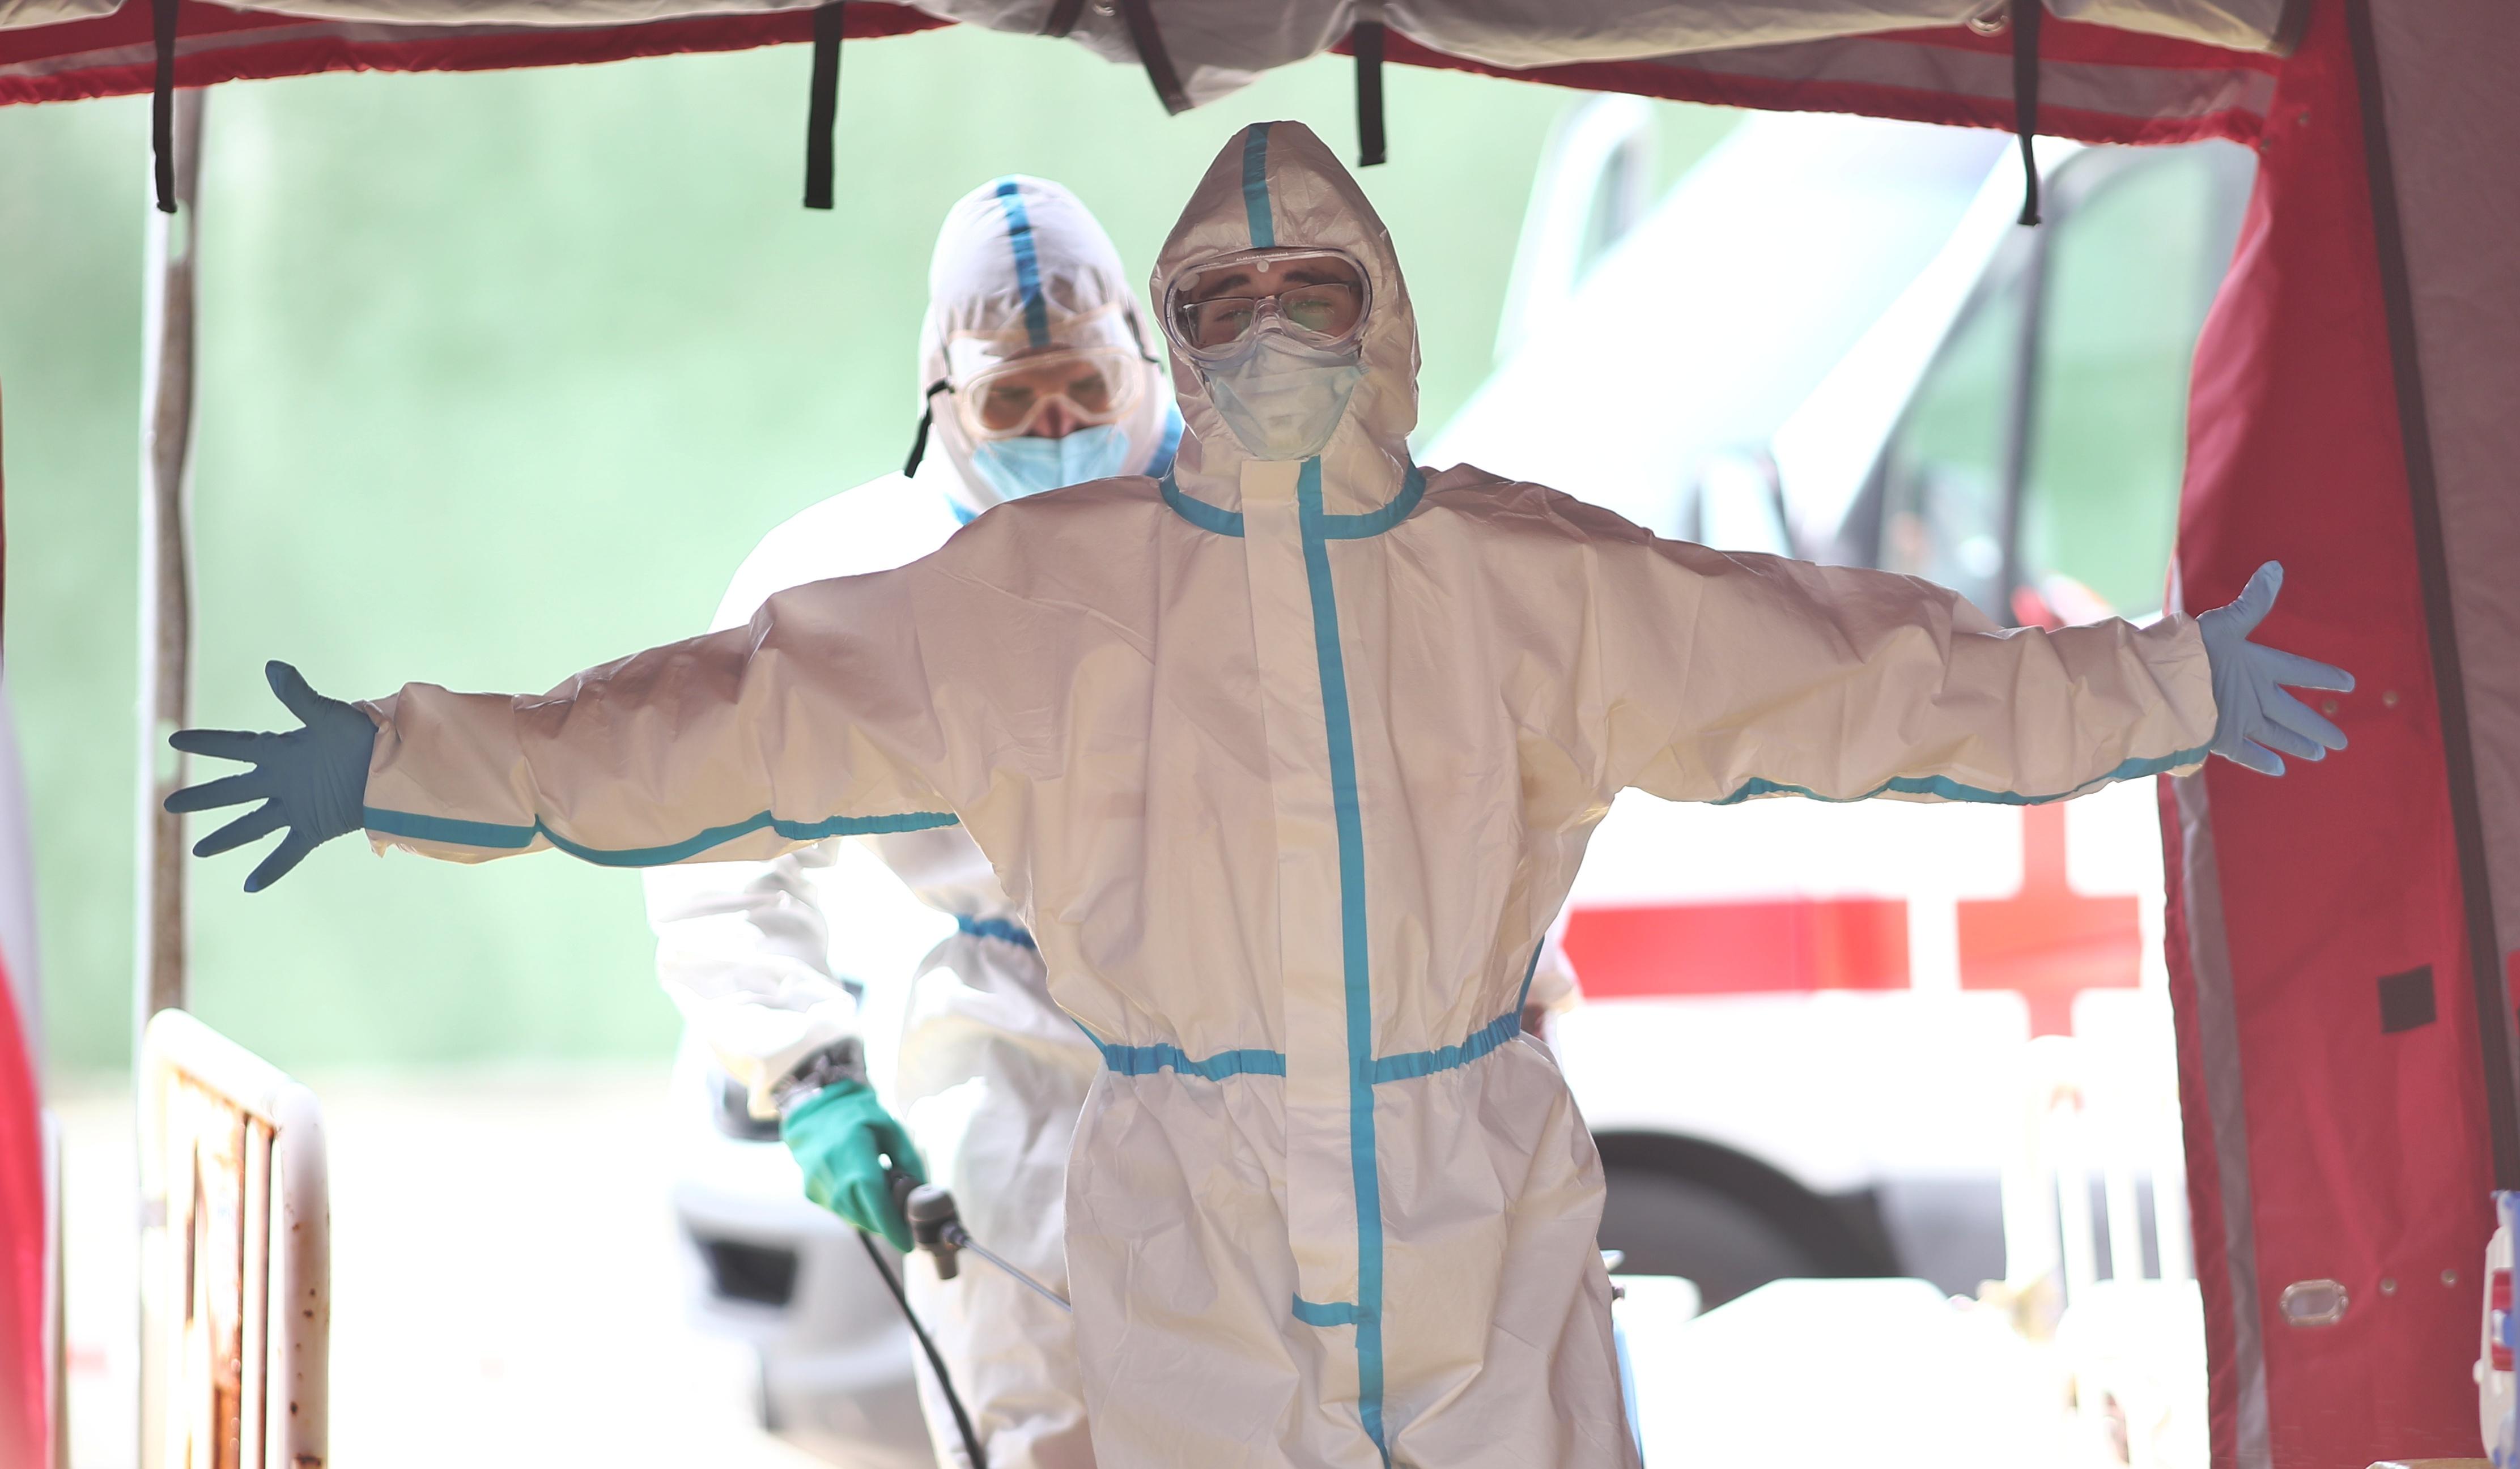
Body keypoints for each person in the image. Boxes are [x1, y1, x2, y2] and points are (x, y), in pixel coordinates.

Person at [164, 121, 2352, 1468]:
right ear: (1179, 338)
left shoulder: (1522, 575)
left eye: (1320, 287)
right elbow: (694, 726)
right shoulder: (1028, 597)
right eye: (1236, 295)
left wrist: (2157, 683)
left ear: (1379, 313)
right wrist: (406, 758)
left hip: (1472, 1199)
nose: (1280, 324)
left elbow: (1867, 676)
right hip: (1168, 1210)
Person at [647, 176, 1174, 1468]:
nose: (1055, 426)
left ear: (1141, 367)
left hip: (1274, 1049)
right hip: (1014, 1075)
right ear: (944, 397)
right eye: (1014, 401)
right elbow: (714, 838)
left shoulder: (1271, 528)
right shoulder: (853, 585)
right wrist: (810, 1073)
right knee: (1042, 1429)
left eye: (1084, 391)